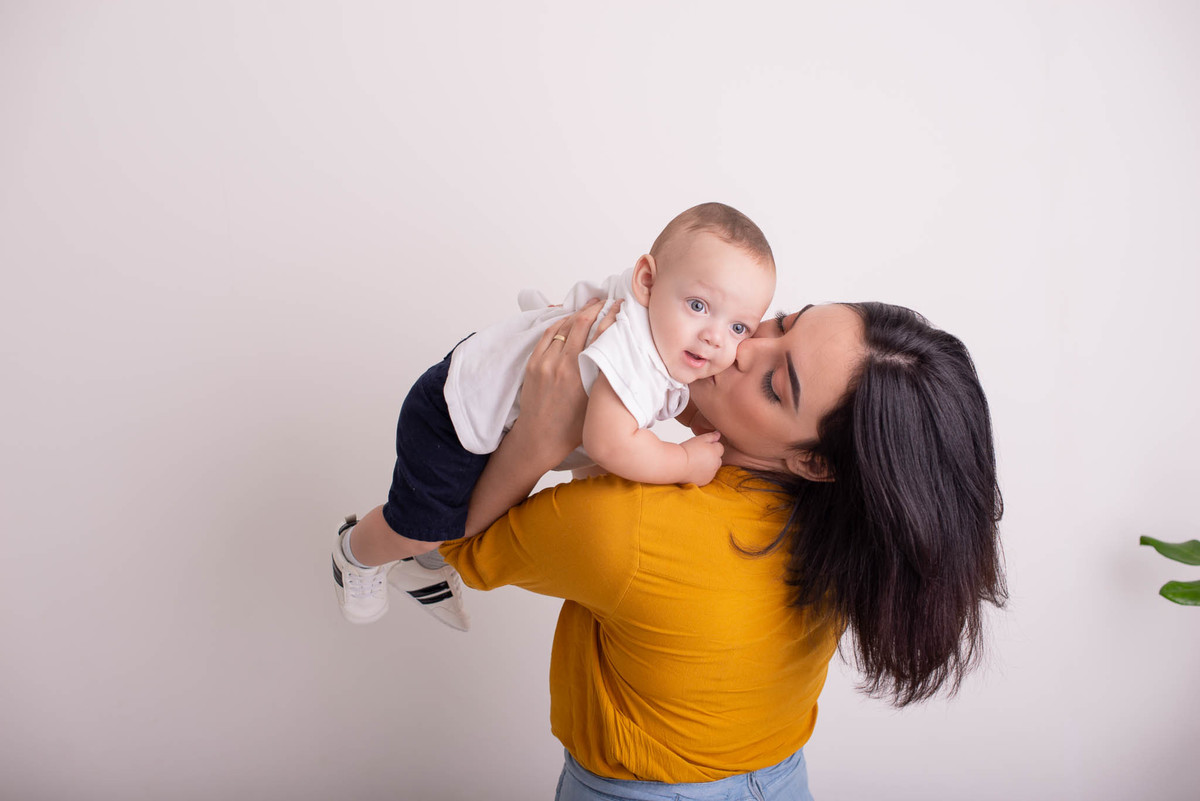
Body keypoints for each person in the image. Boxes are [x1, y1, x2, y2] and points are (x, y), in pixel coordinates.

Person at [437, 299, 1007, 798]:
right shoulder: (847, 536)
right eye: (781, 321)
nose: (741, 348)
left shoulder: (627, 525)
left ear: (814, 461)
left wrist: (541, 432)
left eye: (774, 386)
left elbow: (460, 544)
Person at [331, 203, 776, 630]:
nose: (715, 337)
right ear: (646, 280)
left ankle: (421, 570)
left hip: (490, 401)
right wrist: (684, 461)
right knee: (422, 530)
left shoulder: (659, 321)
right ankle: (354, 553)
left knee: (453, 512)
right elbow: (609, 443)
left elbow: (667, 394)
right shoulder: (634, 350)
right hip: (452, 414)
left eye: (739, 327)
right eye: (698, 305)